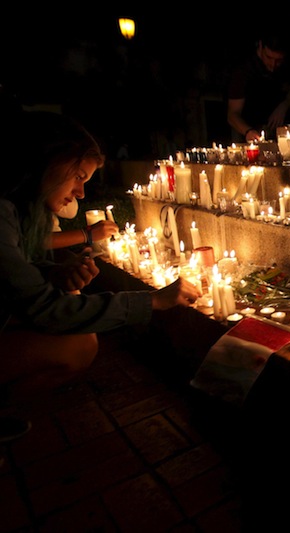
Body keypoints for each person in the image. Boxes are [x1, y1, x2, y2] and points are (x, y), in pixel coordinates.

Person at [0, 110, 201, 442]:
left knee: (76, 321)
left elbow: (14, 275)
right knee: (77, 346)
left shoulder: (14, 210)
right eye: (78, 176)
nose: (80, 193)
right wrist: (152, 300)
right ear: (46, 161)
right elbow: (45, 309)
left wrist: (54, 273)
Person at [226, 29, 290, 142]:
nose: (273, 65)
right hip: (254, 122)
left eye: (278, 60)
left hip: (283, 121)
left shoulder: (287, 64)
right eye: (269, 58)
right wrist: (248, 131)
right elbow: (233, 114)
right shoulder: (244, 71)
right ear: (260, 46)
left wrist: (284, 105)